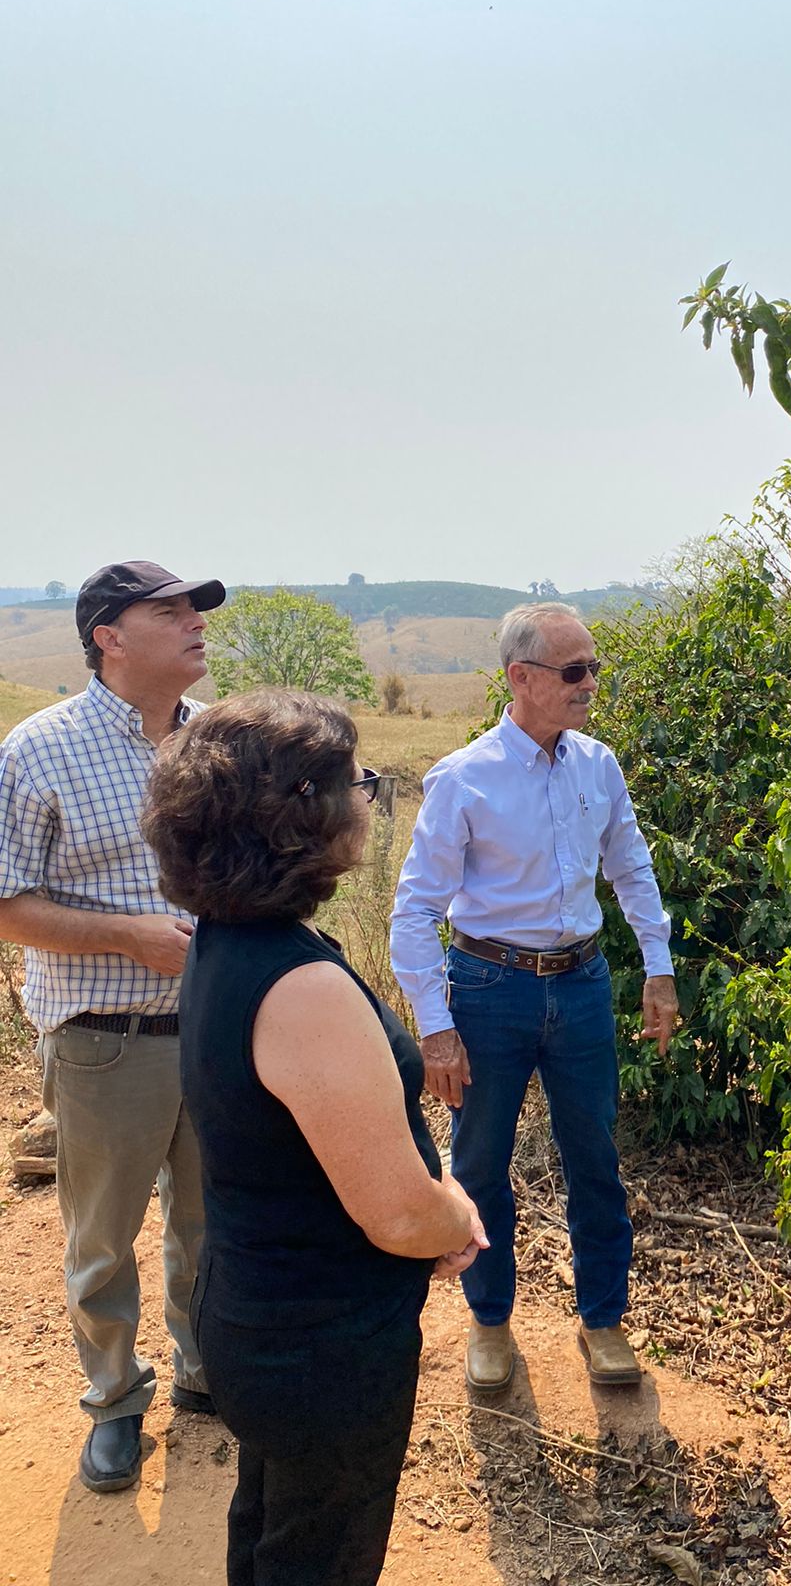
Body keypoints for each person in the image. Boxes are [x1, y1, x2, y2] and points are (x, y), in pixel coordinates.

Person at [142, 688, 484, 1586]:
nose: (368, 799)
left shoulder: (228, 940)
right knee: (321, 1556)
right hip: (322, 1344)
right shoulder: (303, 987)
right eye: (356, 782)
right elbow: (400, 1217)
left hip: (259, 1312)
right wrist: (455, 1219)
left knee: (271, 1533)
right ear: (305, 814)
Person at [390, 601, 678, 1391]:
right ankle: (490, 1323)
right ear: (519, 678)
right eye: (574, 670)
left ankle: (603, 1321)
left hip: (581, 984)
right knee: (480, 1162)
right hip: (486, 990)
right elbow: (415, 912)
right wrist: (437, 1030)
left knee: (596, 1158)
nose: (590, 684)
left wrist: (658, 968)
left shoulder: (598, 765)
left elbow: (631, 867)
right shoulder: (464, 778)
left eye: (593, 668)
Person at [0, 560, 226, 1493]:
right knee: (103, 1239)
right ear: (109, 637)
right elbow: (6, 903)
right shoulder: (38, 750)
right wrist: (130, 938)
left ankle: (206, 1374)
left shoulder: (222, 740)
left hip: (219, 1031)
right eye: (169, 610)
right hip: (102, 1040)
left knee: (213, 1224)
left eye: (197, 609)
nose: (195, 624)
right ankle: (115, 1402)